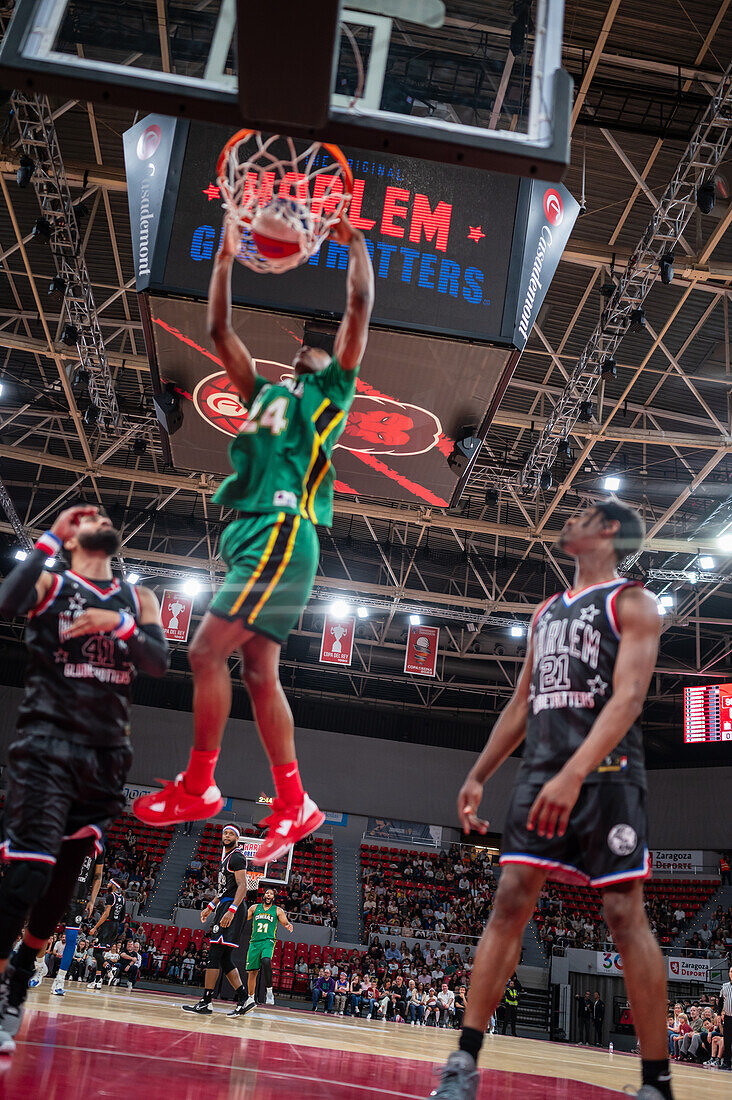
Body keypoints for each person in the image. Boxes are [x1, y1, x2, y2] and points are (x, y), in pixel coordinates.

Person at [134, 211, 374, 869]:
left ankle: (201, 781)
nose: (312, 347)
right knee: (260, 672)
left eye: (321, 351)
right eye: (306, 348)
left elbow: (358, 306)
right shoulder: (266, 393)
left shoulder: (330, 396)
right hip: (248, 538)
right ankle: (296, 802)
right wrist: (223, 258)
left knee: (205, 651)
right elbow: (218, 329)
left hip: (281, 528)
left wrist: (357, 246)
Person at [430, 500, 674, 1100]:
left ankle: (656, 1083)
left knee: (623, 914)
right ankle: (463, 1061)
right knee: (509, 900)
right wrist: (478, 773)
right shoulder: (545, 612)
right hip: (541, 773)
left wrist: (575, 772)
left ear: (610, 531)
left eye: (585, 515)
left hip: (608, 777)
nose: (570, 519)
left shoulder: (634, 604)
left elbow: (629, 699)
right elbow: (521, 704)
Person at [0, 505, 168, 1054]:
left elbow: (159, 661)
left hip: (104, 758)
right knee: (28, 875)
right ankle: (4, 987)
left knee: (59, 889)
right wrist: (48, 537)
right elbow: (6, 602)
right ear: (72, 536)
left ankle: (19, 977)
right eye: (82, 514)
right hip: (47, 744)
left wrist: (116, 624)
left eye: (97, 512)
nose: (92, 515)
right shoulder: (50, 581)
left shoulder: (137, 599)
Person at [182, 824, 250, 1016]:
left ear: (237, 837)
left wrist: (232, 910)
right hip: (225, 906)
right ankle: (244, 999)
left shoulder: (237, 856)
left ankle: (206, 1001)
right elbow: (223, 890)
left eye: (231, 834)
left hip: (232, 908)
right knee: (224, 958)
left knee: (214, 954)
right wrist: (210, 907)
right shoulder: (226, 858)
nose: (227, 835)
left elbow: (242, 886)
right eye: (225, 833)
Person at [50, 847, 105, 996]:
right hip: (59, 893)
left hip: (78, 900)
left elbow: (98, 876)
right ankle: (39, 964)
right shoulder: (71, 836)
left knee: (71, 940)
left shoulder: (99, 847)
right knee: (42, 932)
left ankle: (59, 980)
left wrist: (92, 901)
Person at [235, 886, 293, 1015]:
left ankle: (269, 991)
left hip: (268, 941)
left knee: (266, 960)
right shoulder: (255, 908)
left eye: (271, 894)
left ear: (273, 897)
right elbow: (244, 917)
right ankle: (250, 998)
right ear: (264, 896)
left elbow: (284, 921)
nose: (268, 895)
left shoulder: (277, 910)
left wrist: (288, 925)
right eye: (267, 893)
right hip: (254, 942)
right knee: (252, 973)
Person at [87, 880, 126, 990]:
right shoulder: (123, 899)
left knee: (96, 952)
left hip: (107, 925)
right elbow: (122, 918)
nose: (107, 885)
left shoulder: (110, 896)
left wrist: (95, 927)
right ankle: (98, 981)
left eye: (109, 883)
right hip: (115, 927)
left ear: (114, 885)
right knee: (100, 952)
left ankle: (110, 969)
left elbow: (106, 913)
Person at [719, 964, 732, 1070]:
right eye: (731, 971)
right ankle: (726, 1062)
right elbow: (720, 1002)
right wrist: (719, 1014)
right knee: (727, 1041)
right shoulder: (724, 986)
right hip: (728, 1017)